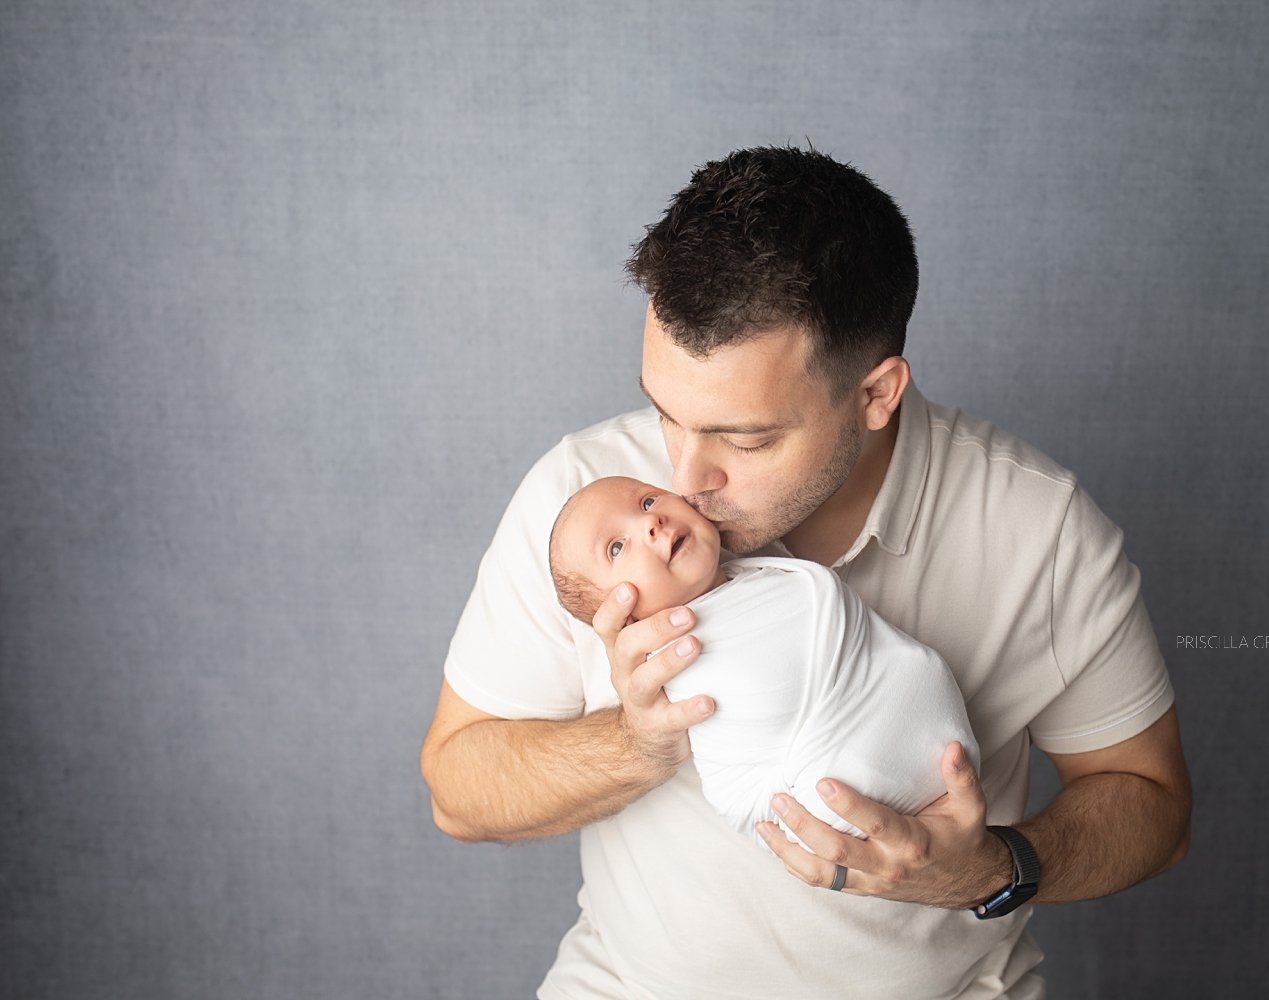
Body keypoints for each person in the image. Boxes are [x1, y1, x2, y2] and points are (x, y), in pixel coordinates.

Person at [420, 145, 1191, 1000]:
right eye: (666, 411)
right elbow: (458, 790)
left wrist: (989, 869)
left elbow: (1153, 801)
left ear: (878, 394)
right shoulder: (587, 505)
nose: (683, 477)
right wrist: (637, 742)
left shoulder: (1039, 528)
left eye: (744, 439)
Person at [547, 475, 981, 843]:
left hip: (941, 749)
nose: (650, 522)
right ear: (620, 618)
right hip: (829, 787)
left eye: (647, 500)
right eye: (617, 548)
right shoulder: (672, 663)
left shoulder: (756, 576)